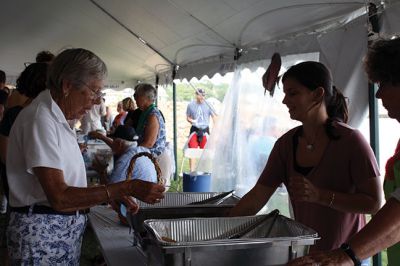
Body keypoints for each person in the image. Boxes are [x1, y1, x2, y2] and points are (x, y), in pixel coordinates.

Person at [6, 48, 165, 265]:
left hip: (55, 229)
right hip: (42, 233)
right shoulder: (40, 119)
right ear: (67, 86)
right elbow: (60, 197)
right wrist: (125, 187)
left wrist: (110, 194)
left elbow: (69, 183)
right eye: (95, 91)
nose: (97, 102)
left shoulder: (57, 118)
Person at [229, 61, 383, 253]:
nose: (285, 101)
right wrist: (216, 229)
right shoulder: (285, 145)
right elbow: (255, 199)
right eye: (285, 93)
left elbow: (374, 203)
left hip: (346, 258)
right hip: (305, 257)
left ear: (317, 94)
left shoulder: (352, 141)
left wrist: (321, 196)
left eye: (292, 93)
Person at [288, 38, 400, 266]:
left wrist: (345, 255)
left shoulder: (351, 140)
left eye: (384, 84)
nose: (378, 95)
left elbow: (390, 213)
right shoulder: (286, 143)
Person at [186, 88, 217, 171]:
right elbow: (188, 117)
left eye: (203, 95)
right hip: (194, 130)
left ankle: (204, 171)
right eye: (200, 95)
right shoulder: (190, 105)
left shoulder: (209, 104)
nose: (202, 97)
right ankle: (192, 171)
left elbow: (214, 118)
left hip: (205, 130)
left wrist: (216, 130)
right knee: (192, 152)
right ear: (196, 95)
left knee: (205, 153)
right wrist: (191, 120)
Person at [133, 83, 166, 156]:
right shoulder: (146, 113)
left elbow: (149, 143)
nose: (135, 99)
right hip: (145, 154)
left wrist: (131, 152)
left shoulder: (152, 115)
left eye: (136, 96)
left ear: (144, 97)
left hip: (152, 158)